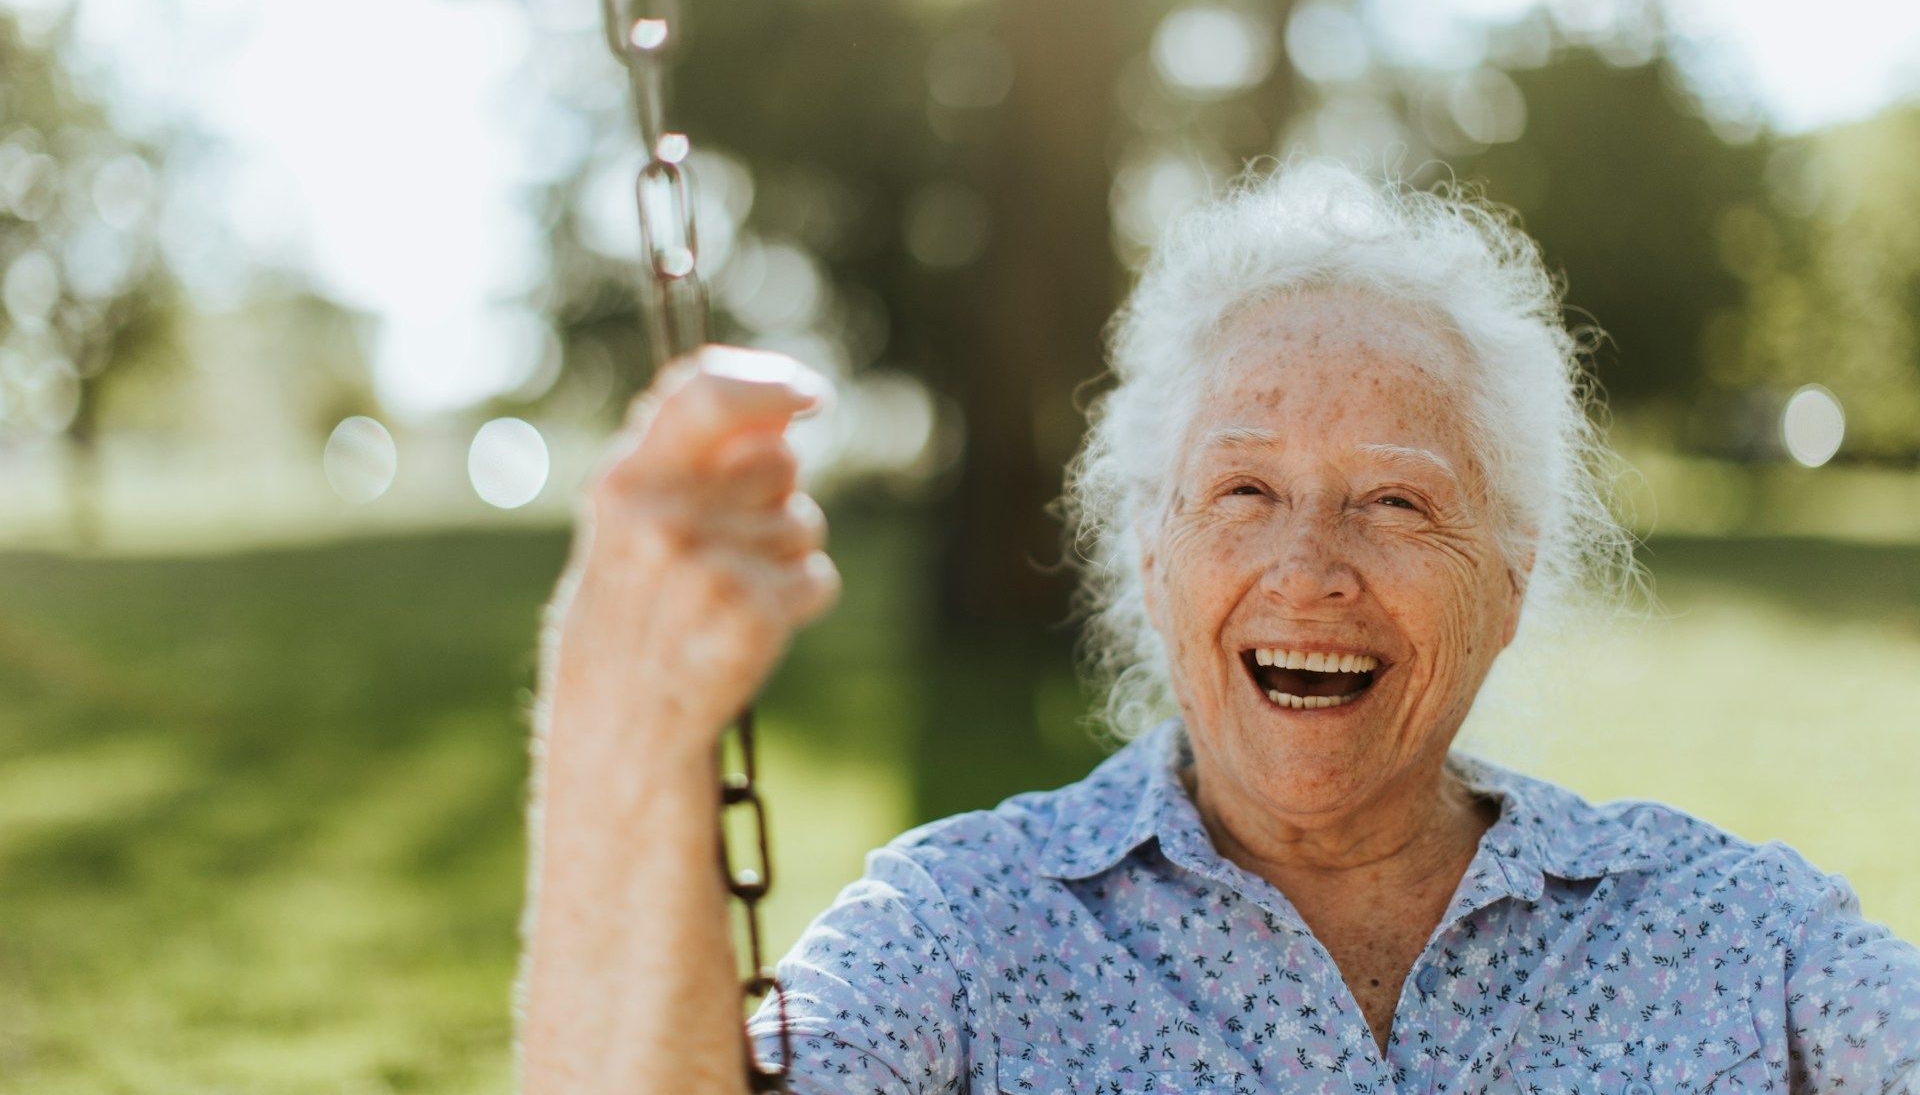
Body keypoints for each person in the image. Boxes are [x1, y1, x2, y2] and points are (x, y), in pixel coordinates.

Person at [514, 163, 1920, 1094]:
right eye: (1244, 492)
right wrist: (621, 734)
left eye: (1396, 501)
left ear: (1514, 573)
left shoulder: (1735, 937)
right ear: (1149, 551)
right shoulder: (961, 931)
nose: (1310, 568)